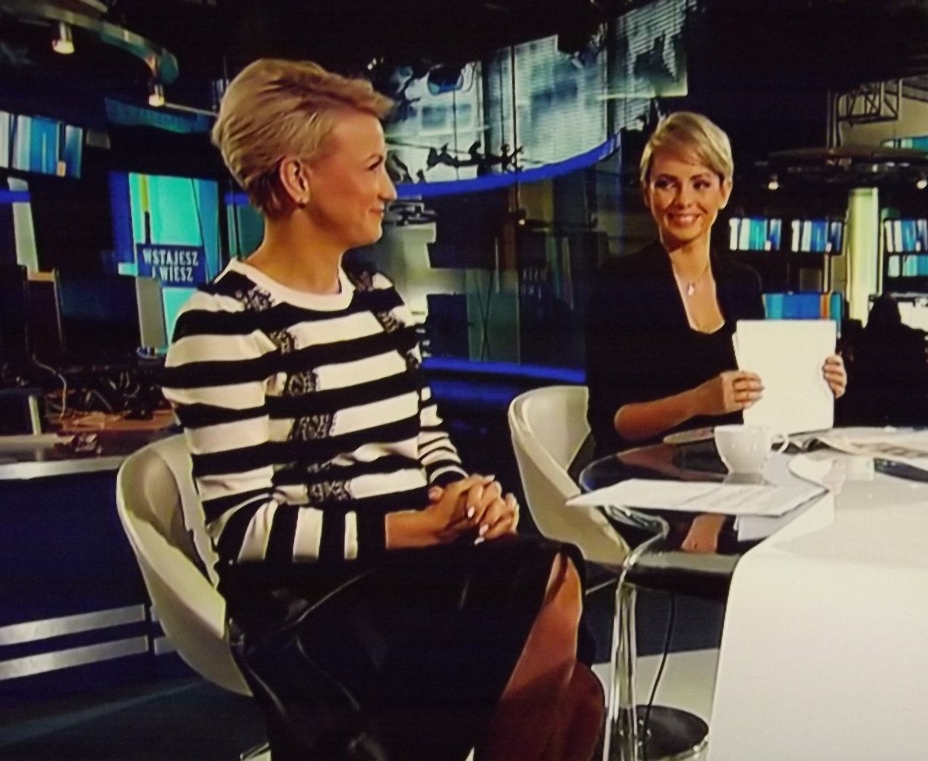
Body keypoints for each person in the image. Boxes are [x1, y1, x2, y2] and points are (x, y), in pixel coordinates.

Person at [161, 59, 602, 761]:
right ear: (297, 179)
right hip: (316, 596)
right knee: (548, 590)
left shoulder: (377, 298)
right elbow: (244, 530)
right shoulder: (222, 322)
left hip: (413, 562)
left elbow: (426, 436)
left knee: (574, 681)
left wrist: (462, 493)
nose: (390, 189)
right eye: (372, 167)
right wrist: (410, 529)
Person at [584, 112, 846, 553]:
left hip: (729, 484)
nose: (683, 200)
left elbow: (760, 402)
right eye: (667, 183)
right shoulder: (621, 282)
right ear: (647, 193)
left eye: (700, 183)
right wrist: (698, 401)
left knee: (817, 534)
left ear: (724, 191)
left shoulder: (743, 282)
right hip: (645, 486)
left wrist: (815, 382)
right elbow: (614, 421)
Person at [851, 295, 928, 385]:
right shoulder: (912, 337)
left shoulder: (863, 340)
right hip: (905, 392)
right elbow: (922, 371)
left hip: (871, 392)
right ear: (897, 314)